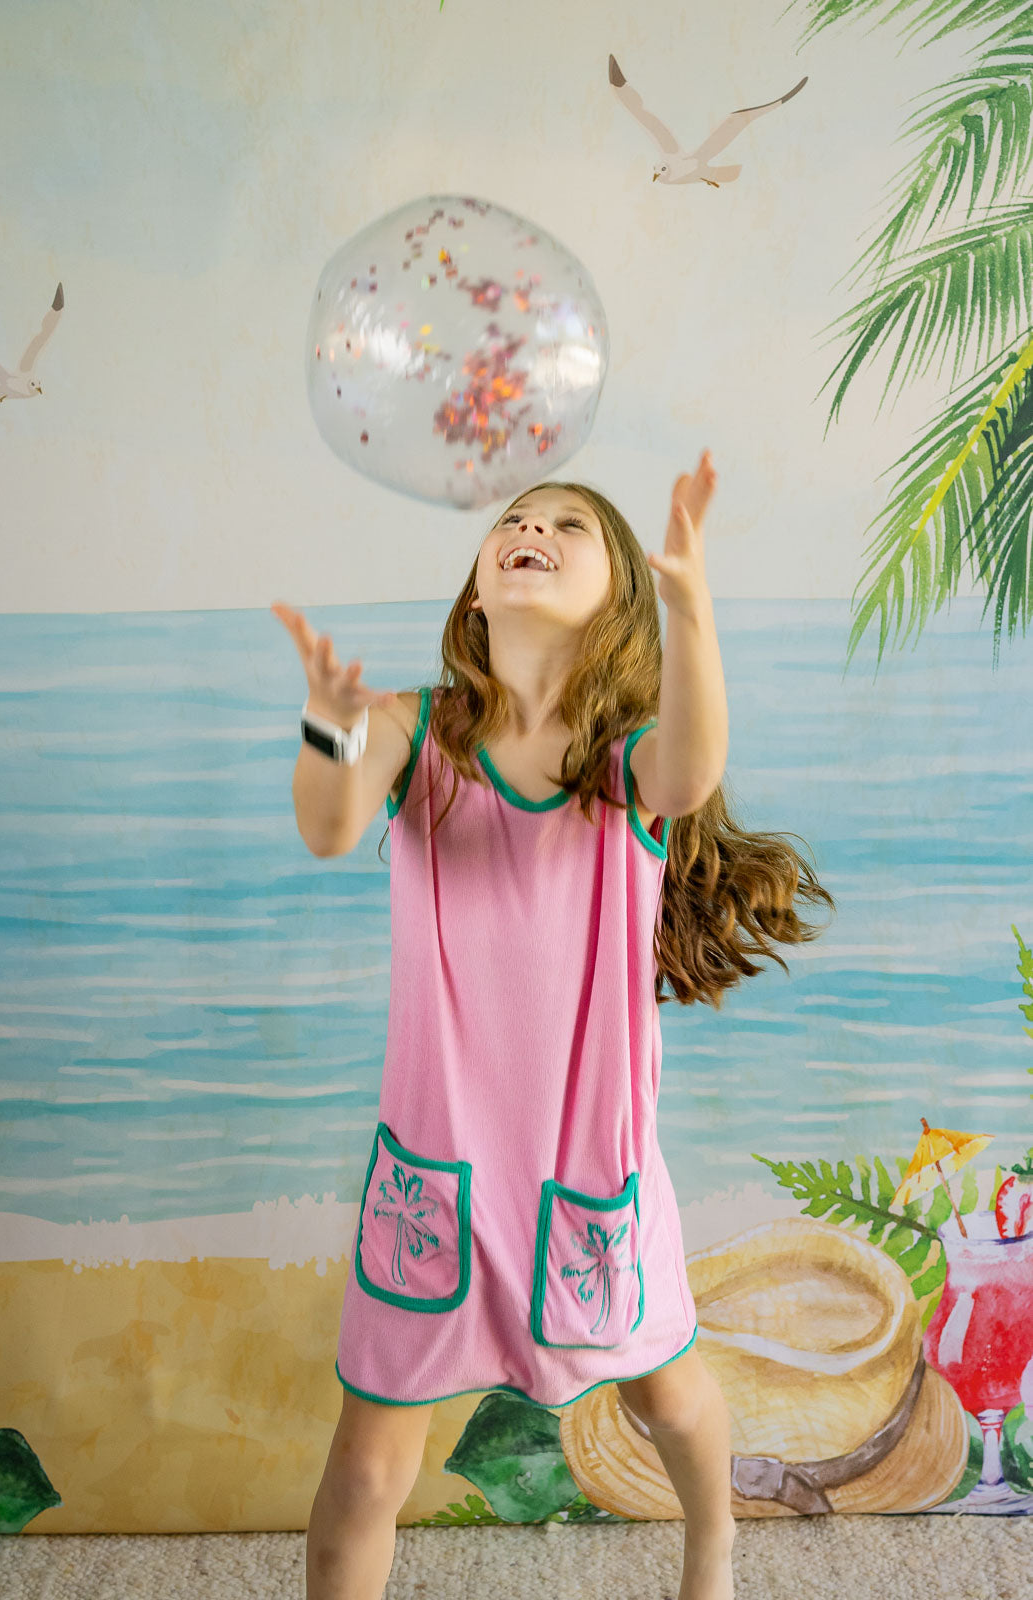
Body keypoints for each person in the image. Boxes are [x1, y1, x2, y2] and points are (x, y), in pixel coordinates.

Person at [272, 452, 837, 1600]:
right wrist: (329, 726)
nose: (528, 528)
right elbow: (328, 829)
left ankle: (711, 1547)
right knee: (369, 1464)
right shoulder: (409, 727)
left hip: (590, 1174)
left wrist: (690, 605)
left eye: (565, 526)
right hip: (432, 1180)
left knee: (665, 1395)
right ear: (476, 591)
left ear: (615, 600)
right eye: (514, 522)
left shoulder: (618, 767)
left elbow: (689, 768)